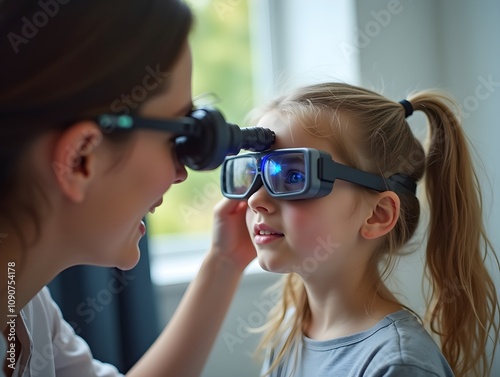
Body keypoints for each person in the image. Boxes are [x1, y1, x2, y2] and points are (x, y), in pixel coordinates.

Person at [0, 0, 257, 376]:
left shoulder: (23, 304)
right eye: (180, 136)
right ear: (79, 159)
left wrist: (225, 261)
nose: (181, 174)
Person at [220, 82, 500, 377]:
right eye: (253, 173)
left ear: (377, 215)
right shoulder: (290, 330)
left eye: (294, 175)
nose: (255, 200)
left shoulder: (398, 365)